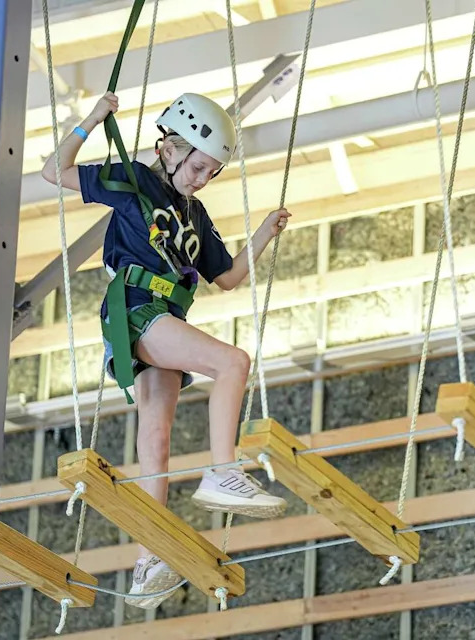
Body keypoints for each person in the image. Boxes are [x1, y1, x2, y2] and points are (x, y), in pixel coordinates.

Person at [41, 90, 289, 608]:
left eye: (212, 172)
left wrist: (265, 231)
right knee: (232, 362)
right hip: (136, 310)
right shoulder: (134, 182)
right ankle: (224, 468)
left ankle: (149, 556)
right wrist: (92, 120)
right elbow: (53, 170)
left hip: (162, 319)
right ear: (170, 149)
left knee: (155, 439)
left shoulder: (195, 218)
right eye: (198, 166)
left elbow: (230, 277)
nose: (202, 179)